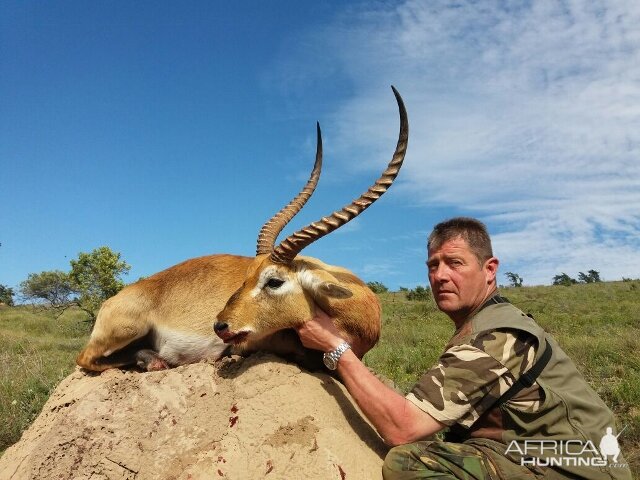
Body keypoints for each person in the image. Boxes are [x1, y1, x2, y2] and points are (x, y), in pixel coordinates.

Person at [296, 217, 631, 480]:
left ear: (489, 270)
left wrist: (335, 347)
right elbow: (424, 410)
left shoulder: (499, 334)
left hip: (576, 469)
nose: (440, 276)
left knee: (407, 463)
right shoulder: (481, 324)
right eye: (433, 265)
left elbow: (403, 428)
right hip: (540, 456)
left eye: (454, 263)